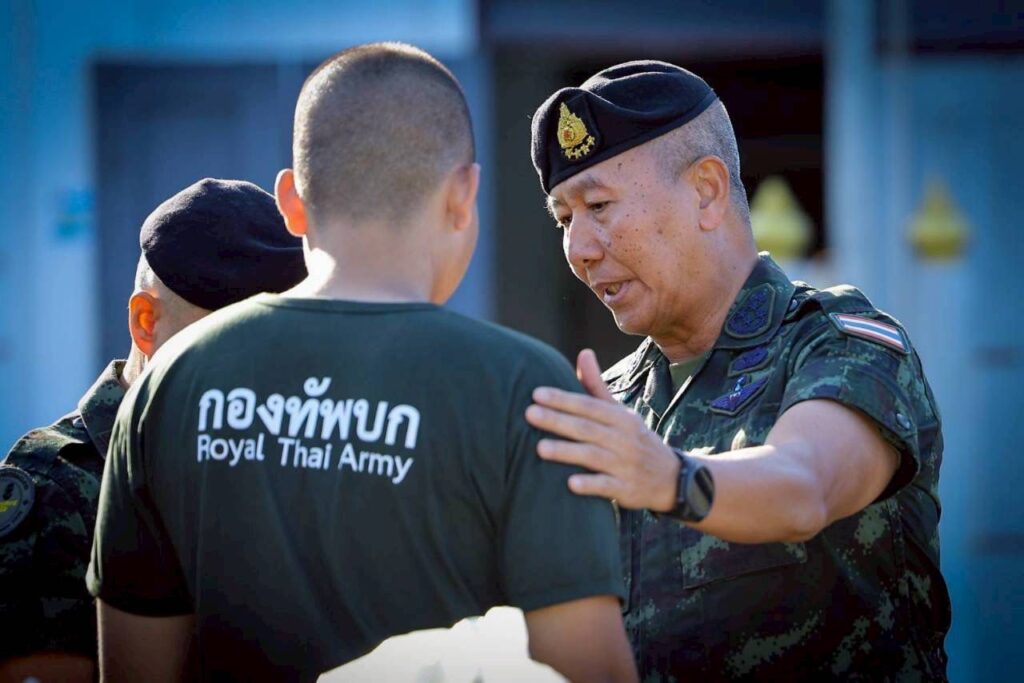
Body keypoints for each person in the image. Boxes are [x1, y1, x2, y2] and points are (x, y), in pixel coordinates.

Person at [86, 43, 637, 683]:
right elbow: (589, 670)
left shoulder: (168, 383)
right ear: (463, 195)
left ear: (291, 201)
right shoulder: (531, 392)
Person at [524, 60, 951, 680]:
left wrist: (668, 478)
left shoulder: (836, 344)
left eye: (599, 205)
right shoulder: (611, 406)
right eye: (565, 219)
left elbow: (804, 485)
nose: (579, 249)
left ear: (706, 191)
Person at [0, 178, 307, 683]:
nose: (258, 379)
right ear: (146, 322)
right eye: (228, 343)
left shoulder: (287, 465)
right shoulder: (55, 485)